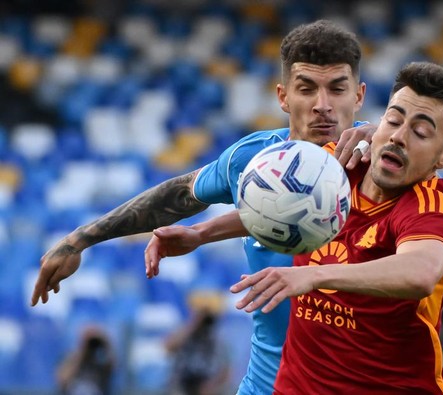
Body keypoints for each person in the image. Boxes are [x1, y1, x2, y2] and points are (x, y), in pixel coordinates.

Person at [32, 19, 374, 395]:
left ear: (358, 96)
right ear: (283, 96)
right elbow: (178, 195)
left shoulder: (385, 165)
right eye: (306, 89)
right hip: (268, 386)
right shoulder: (254, 160)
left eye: (337, 89)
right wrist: (77, 241)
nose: (322, 106)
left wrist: (387, 139)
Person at [151, 62, 443, 394]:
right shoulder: (332, 167)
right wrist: (201, 234)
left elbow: (419, 271)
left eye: (420, 133)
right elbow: (277, 207)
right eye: (393, 120)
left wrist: (316, 275)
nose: (399, 137)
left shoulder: (430, 207)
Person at [166, 293, 231, 395]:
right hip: (183, 383)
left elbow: (226, 370)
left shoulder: (220, 337)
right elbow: (169, 347)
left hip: (208, 383)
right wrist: (194, 323)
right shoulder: (185, 332)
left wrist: (212, 386)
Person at [56, 326, 115, 395]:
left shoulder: (100, 365)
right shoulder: (72, 361)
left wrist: (104, 341)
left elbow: (113, 364)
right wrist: (82, 350)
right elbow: (62, 379)